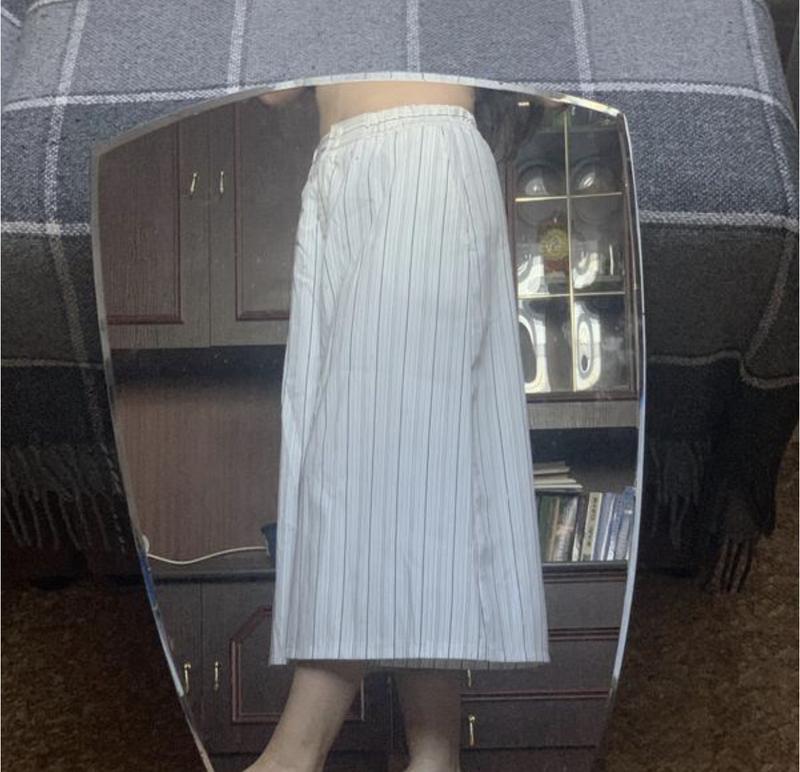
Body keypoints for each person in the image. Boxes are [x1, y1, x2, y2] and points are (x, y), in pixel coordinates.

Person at [247, 79, 550, 772]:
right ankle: (435, 756)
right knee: (408, 463)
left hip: (420, 150)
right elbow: (274, 88)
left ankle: (293, 754)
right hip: (342, 168)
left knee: (369, 457)